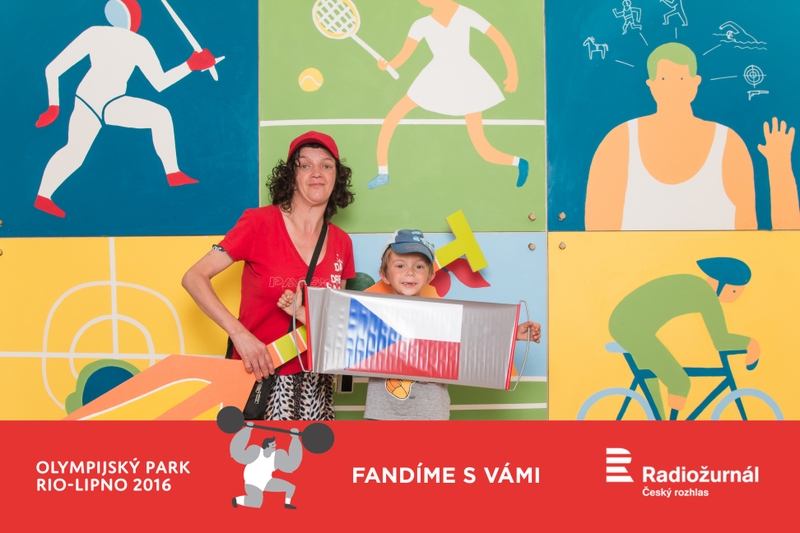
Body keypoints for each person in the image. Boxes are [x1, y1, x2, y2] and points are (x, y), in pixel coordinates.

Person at [182, 131, 355, 420]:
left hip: (315, 384)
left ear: (336, 177)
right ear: (291, 177)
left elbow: (334, 320)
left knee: (311, 452)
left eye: (326, 165)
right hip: (256, 375)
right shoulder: (258, 223)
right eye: (305, 165)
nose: (317, 172)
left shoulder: (342, 242)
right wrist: (240, 335)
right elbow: (194, 277)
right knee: (252, 451)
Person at [289, 229, 538, 420]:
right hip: (382, 416)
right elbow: (336, 329)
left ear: (430, 276)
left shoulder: (442, 315)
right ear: (384, 275)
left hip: (431, 416)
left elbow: (475, 336)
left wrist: (513, 333)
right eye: (400, 265)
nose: (410, 272)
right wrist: (300, 313)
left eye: (419, 266)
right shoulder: (373, 313)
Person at [586, 42, 800, 231]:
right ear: (652, 85)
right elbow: (595, 237)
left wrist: (779, 165)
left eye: (681, 78)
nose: (673, 86)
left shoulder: (728, 144)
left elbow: (748, 232)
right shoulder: (618, 143)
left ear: (695, 83)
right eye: (664, 78)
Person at [33, 0, 218, 218]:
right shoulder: (134, 41)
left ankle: (173, 172)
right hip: (96, 102)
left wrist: (54, 106)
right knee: (158, 117)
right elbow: (160, 83)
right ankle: (43, 196)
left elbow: (52, 69)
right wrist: (191, 65)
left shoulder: (102, 34)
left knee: (76, 151)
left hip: (101, 101)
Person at [368, 0, 528, 190]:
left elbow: (498, 38)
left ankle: (519, 162)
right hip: (435, 76)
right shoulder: (421, 24)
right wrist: (388, 65)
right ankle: (383, 172)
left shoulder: (466, 13)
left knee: (481, 146)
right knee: (393, 116)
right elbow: (404, 54)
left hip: (467, 80)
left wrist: (513, 74)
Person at [608, 257, 760, 420]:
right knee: (679, 382)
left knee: (652, 380)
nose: (734, 298)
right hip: (631, 328)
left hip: (626, 323)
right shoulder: (706, 294)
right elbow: (721, 341)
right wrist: (752, 345)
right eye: (734, 291)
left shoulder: (698, 286)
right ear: (719, 284)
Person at [230, 423, 302, 510]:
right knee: (256, 503)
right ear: (267, 445)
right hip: (253, 481)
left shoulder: (276, 457)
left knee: (290, 487)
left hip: (266, 481)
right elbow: (238, 452)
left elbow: (292, 464)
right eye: (273, 444)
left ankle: (287, 504)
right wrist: (247, 430)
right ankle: (236, 500)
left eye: (275, 444)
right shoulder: (256, 452)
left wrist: (295, 438)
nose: (275, 446)